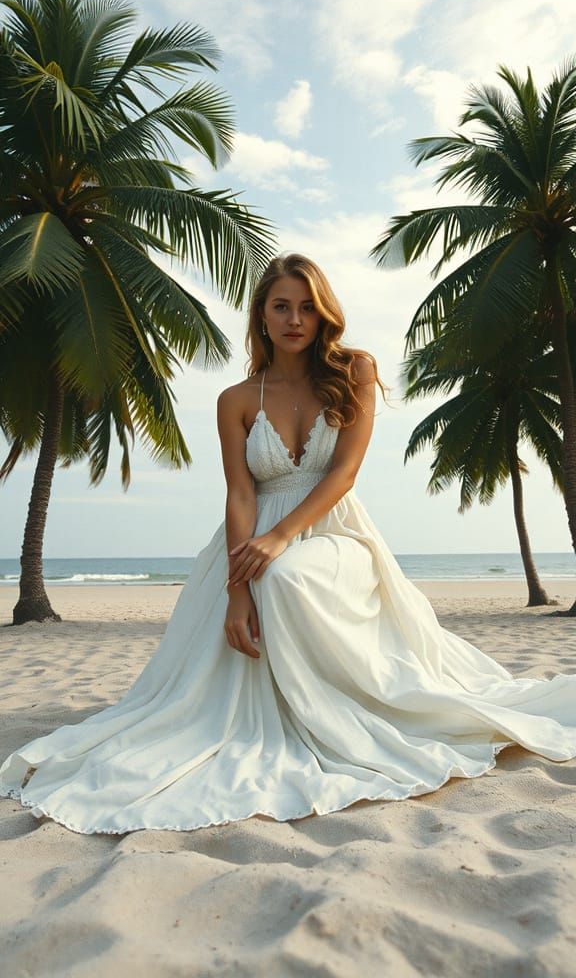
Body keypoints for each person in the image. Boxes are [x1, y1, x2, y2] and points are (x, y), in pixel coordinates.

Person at [1, 253, 575, 836]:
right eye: (282, 306)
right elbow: (240, 494)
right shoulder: (236, 399)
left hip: (335, 532)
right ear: (262, 315)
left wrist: (281, 538)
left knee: (289, 576)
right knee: (263, 588)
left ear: (323, 313)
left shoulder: (356, 371)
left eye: (307, 306)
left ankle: (340, 713)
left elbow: (343, 473)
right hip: (253, 539)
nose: (295, 318)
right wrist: (235, 593)